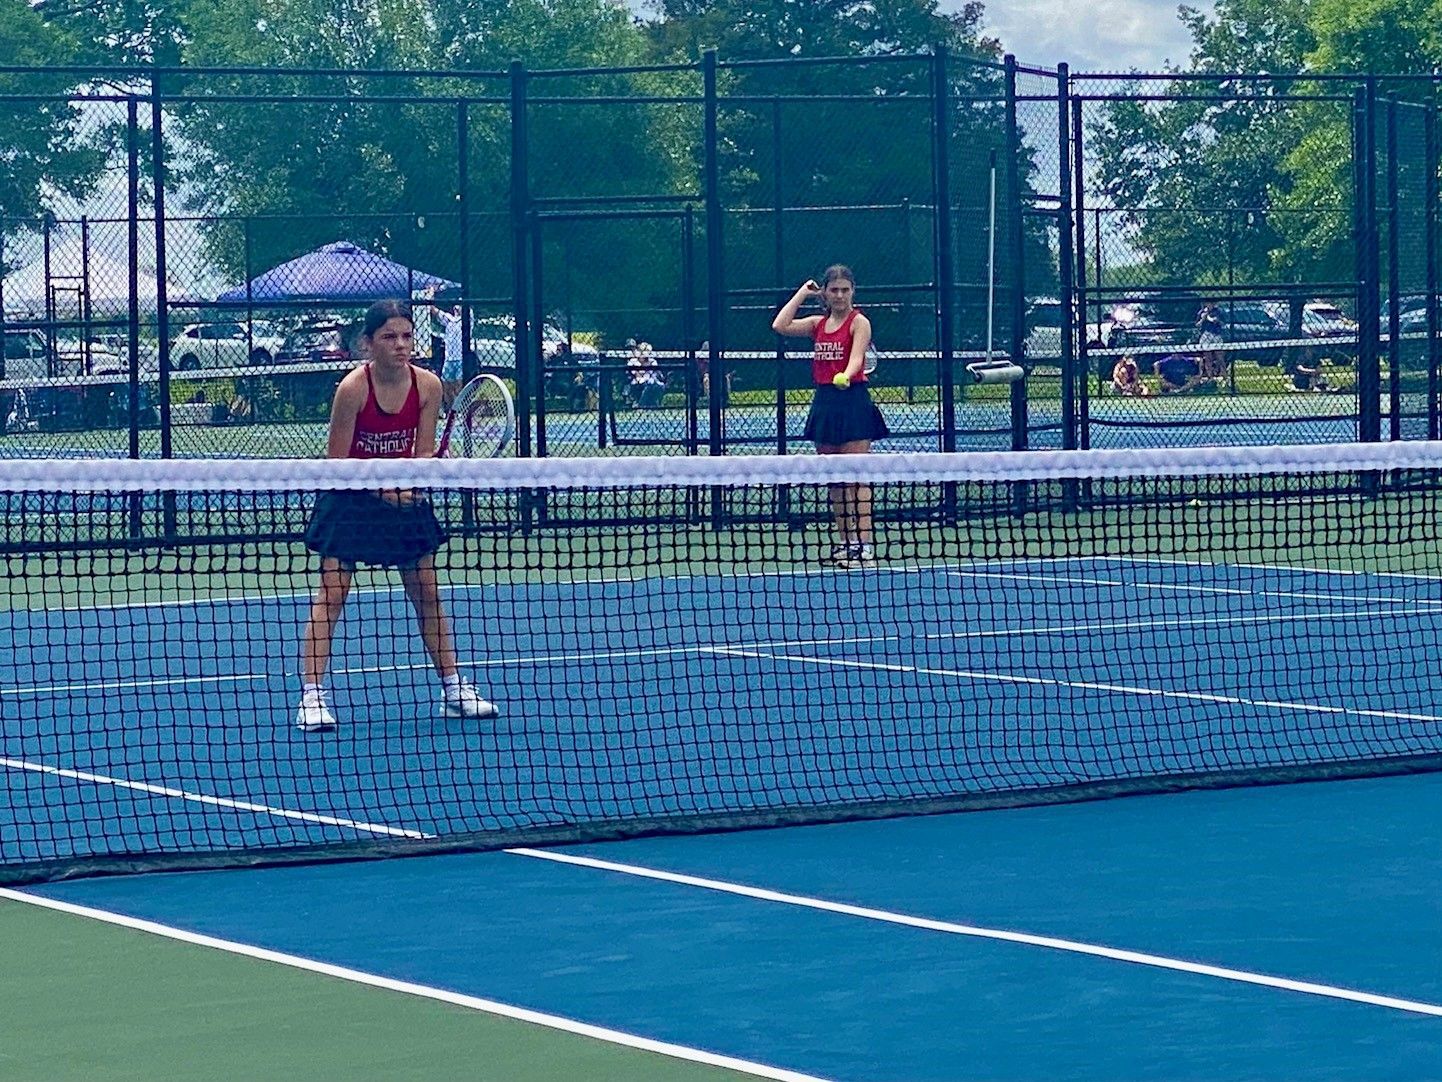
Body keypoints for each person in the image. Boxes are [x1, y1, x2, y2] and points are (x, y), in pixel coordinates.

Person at [295, 299, 497, 733]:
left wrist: (413, 482)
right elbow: (337, 462)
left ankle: (454, 688)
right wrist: (382, 488)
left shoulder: (428, 386)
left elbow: (422, 453)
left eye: (406, 336)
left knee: (427, 591)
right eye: (389, 337)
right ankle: (311, 696)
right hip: (350, 499)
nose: (400, 345)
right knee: (332, 593)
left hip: (401, 500)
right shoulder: (352, 390)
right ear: (368, 343)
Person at [771, 264, 889, 568]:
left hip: (853, 401)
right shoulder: (816, 324)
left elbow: (857, 358)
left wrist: (847, 375)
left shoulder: (858, 322)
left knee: (856, 478)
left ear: (852, 291)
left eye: (845, 290)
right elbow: (780, 325)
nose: (839, 295)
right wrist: (802, 293)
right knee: (835, 481)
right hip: (825, 403)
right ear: (825, 292)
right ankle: (846, 542)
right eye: (833, 290)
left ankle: (864, 547)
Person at [427, 289, 465, 410]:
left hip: (460, 358)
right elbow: (433, 310)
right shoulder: (449, 320)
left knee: (459, 385)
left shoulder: (466, 321)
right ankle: (451, 411)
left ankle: (460, 411)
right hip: (449, 359)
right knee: (446, 385)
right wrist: (431, 294)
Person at [1195, 301, 1225, 383]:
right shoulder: (1201, 312)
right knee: (1208, 357)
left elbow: (1218, 321)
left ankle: (1223, 375)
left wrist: (1209, 318)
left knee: (1219, 356)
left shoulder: (1218, 311)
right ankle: (1210, 376)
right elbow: (1197, 324)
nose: (1209, 305)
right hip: (1206, 335)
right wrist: (1202, 319)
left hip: (1216, 335)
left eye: (1210, 303)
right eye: (1207, 303)